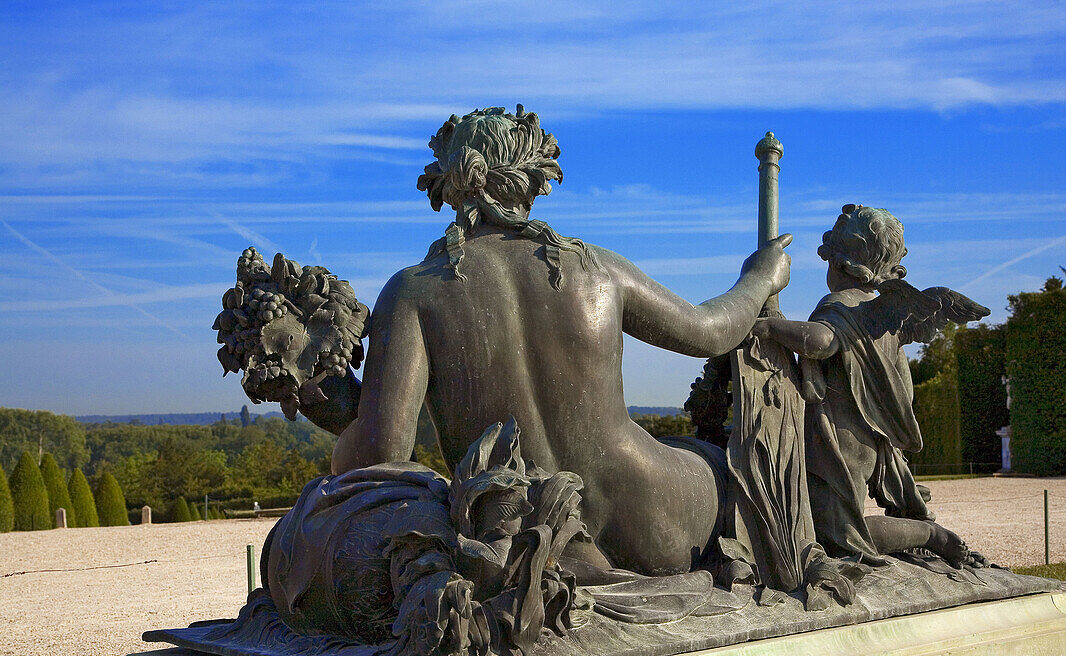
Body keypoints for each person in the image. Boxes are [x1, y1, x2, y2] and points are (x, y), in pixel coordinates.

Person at [326, 107, 791, 577]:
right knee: (712, 458)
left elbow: (382, 454)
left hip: (514, 533)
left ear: (449, 182)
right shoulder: (597, 268)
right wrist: (758, 279)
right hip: (653, 520)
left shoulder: (412, 291)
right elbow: (711, 332)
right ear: (532, 176)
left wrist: (324, 395)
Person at [751, 204, 983, 565]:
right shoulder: (882, 314)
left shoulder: (844, 305)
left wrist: (767, 327)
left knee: (837, 532)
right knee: (827, 526)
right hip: (867, 434)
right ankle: (923, 533)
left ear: (841, 264)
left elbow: (821, 341)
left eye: (828, 260)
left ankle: (931, 535)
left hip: (839, 436)